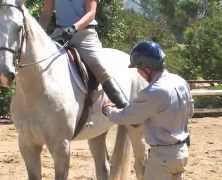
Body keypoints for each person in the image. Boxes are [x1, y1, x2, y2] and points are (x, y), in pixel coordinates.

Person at [102, 40, 194, 180]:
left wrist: (108, 110)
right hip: (182, 152)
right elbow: (190, 111)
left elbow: (129, 117)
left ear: (147, 68)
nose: (138, 72)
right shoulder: (180, 81)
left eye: (138, 68)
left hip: (162, 157)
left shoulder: (154, 91)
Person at [39, 0, 128, 108]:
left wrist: (73, 28)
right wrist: (39, 32)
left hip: (84, 35)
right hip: (60, 33)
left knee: (97, 65)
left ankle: (121, 104)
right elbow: (46, 13)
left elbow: (90, 14)